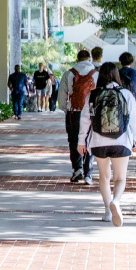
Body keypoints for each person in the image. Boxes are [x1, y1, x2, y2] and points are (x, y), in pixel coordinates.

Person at [78, 62, 136, 227]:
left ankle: (107, 211)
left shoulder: (93, 95)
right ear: (116, 76)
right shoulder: (126, 93)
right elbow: (135, 120)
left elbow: (85, 120)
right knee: (120, 177)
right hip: (121, 141)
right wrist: (134, 140)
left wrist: (81, 141)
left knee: (104, 177)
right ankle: (116, 201)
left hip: (98, 142)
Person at [57, 49, 97, 185]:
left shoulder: (69, 73)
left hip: (74, 112)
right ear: (90, 59)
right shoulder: (96, 74)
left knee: (74, 141)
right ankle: (88, 172)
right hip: (91, 112)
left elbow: (61, 97)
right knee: (89, 140)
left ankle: (77, 169)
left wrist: (67, 109)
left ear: (77, 59)